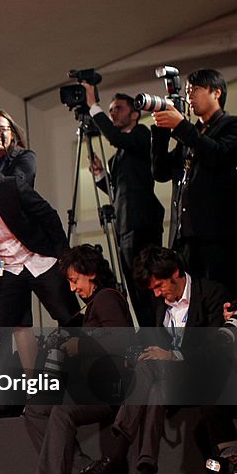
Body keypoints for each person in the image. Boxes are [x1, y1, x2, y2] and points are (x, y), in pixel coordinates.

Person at [76, 247, 231, 474]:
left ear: (176, 272)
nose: (157, 293)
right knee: (151, 378)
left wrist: (173, 356)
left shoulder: (212, 293)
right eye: (153, 289)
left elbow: (217, 349)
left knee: (152, 374)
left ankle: (118, 456)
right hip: (171, 382)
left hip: (209, 378)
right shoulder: (160, 304)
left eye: (159, 285)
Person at [0, 168, 79, 422]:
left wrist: (64, 256)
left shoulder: (11, 189)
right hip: (3, 269)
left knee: (69, 316)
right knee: (0, 328)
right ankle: (8, 398)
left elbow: (48, 216)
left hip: (38, 257)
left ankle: (82, 383)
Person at [21, 244, 132, 474]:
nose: (72, 288)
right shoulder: (97, 303)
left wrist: (80, 344)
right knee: (35, 409)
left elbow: (121, 341)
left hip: (112, 389)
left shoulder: (107, 298)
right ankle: (81, 471)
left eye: (74, 280)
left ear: (90, 272)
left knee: (62, 410)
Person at [151, 68, 237, 297]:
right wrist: (161, 131)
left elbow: (218, 155)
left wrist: (181, 126)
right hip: (185, 238)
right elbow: (161, 172)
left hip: (218, 236)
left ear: (216, 92)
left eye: (196, 90)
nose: (189, 97)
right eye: (187, 91)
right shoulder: (190, 135)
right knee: (194, 306)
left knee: (222, 299)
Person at [84, 86, 164, 327]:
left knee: (147, 285)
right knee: (135, 291)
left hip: (141, 224)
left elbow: (116, 137)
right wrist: (100, 175)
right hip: (124, 227)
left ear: (135, 114)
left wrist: (93, 106)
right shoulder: (118, 156)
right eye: (109, 110)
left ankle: (159, 335)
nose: (113, 114)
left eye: (118, 108)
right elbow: (117, 192)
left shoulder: (142, 135)